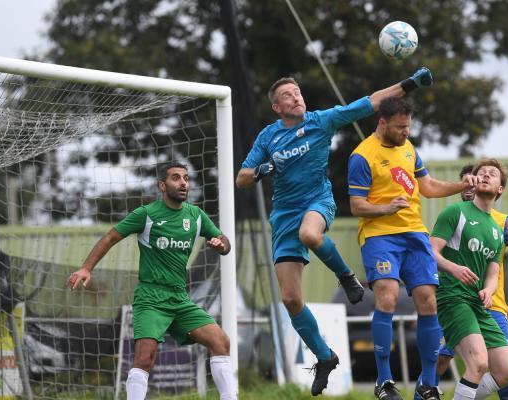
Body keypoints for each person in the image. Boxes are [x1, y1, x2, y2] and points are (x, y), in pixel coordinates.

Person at [236, 67, 433, 396]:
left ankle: (346, 276)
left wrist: (409, 83)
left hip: (317, 200)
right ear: (277, 107)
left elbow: (369, 102)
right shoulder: (267, 137)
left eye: (297, 92)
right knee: (290, 299)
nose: (296, 97)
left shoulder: (320, 121)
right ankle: (325, 358)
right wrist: (260, 170)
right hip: (284, 214)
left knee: (311, 235)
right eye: (288, 95)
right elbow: (241, 177)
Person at [67, 163, 235, 400]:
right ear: (162, 185)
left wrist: (221, 244)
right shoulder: (146, 214)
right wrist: (86, 268)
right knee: (145, 358)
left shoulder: (196, 216)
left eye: (186, 178)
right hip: (151, 299)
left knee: (220, 341)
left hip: (179, 298)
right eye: (176, 178)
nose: (183, 183)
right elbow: (110, 237)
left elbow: (223, 241)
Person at [347, 97, 478, 400]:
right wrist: (386, 207)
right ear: (383, 123)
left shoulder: (409, 149)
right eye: (400, 127)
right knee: (388, 298)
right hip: (380, 236)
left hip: (415, 235)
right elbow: (356, 205)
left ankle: (428, 383)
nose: (406, 132)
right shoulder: (361, 156)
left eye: (408, 126)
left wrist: (462, 185)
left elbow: (428, 187)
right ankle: (384, 382)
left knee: (428, 302)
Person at [415, 164, 508, 400]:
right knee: (471, 362)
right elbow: (429, 251)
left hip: (484, 305)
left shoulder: (499, 226)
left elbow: (494, 271)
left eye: (492, 173)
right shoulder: (455, 212)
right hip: (454, 298)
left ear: (500, 189)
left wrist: (489, 290)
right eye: (480, 172)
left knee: (507, 373)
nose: (484, 175)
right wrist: (453, 268)